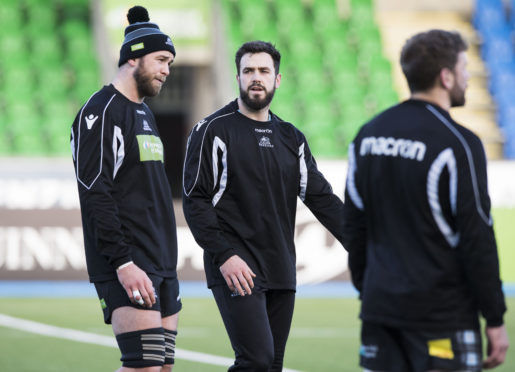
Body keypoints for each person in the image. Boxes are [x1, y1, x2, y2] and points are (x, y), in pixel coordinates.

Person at [343, 29, 509, 371]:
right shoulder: (458, 142)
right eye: (464, 67)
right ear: (446, 77)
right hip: (441, 318)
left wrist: (369, 289)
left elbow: (354, 224)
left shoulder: (368, 134)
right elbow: (477, 235)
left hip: (381, 314)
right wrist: (494, 316)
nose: (467, 76)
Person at [182, 40, 345, 371]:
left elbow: (321, 197)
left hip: (281, 267)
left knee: (272, 366)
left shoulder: (291, 137)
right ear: (238, 77)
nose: (256, 77)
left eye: (263, 71)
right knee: (256, 360)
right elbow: (195, 200)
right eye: (249, 71)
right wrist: (224, 256)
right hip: (236, 267)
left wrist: (364, 242)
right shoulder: (213, 130)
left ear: (277, 79)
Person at [70, 6, 181, 372]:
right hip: (128, 261)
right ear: (134, 57)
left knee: (161, 368)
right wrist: (123, 262)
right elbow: (94, 191)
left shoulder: (145, 113)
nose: (167, 69)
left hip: (161, 261)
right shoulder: (100, 112)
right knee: (143, 366)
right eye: (162, 59)